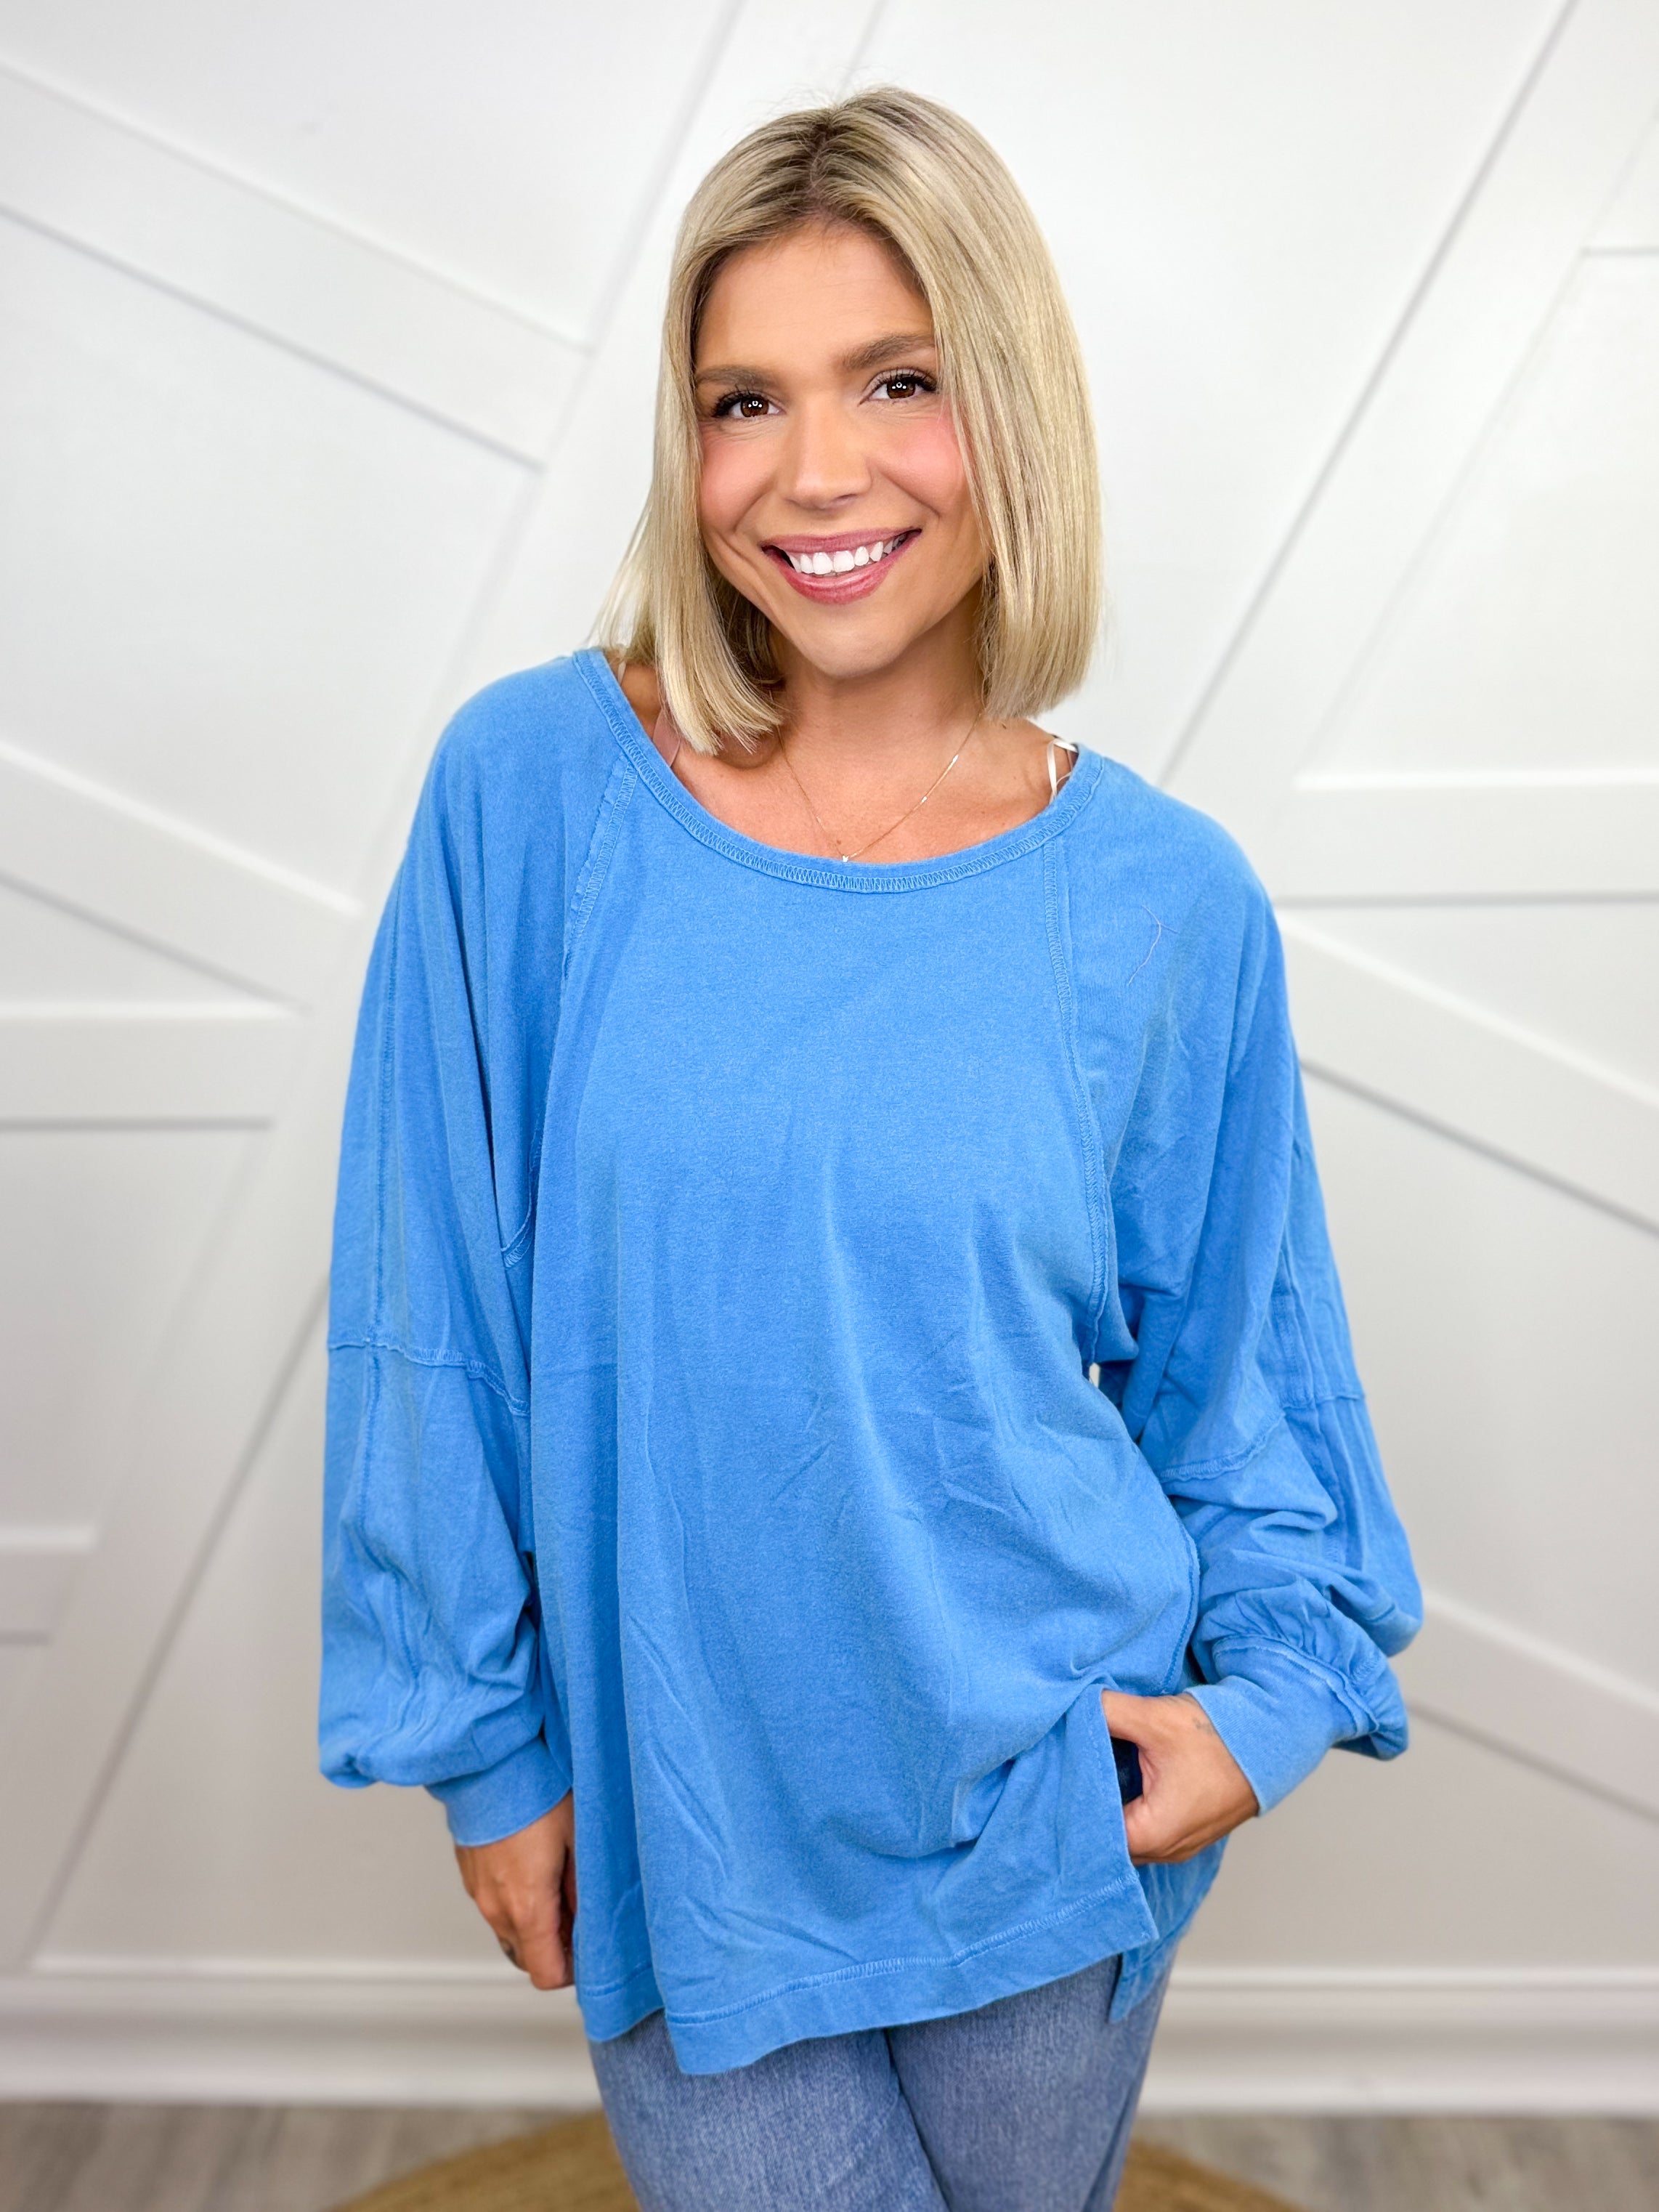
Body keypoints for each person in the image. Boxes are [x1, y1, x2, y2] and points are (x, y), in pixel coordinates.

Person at [320, 86, 1419, 2212]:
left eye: (897, 382)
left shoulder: (1165, 903)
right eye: (745, 400)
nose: (814, 470)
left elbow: (1244, 1381)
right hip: (682, 1812)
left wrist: (1264, 1710)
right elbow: (424, 1305)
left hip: (1051, 1813)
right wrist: (484, 1747)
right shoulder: (533, 795)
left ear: (1010, 411)